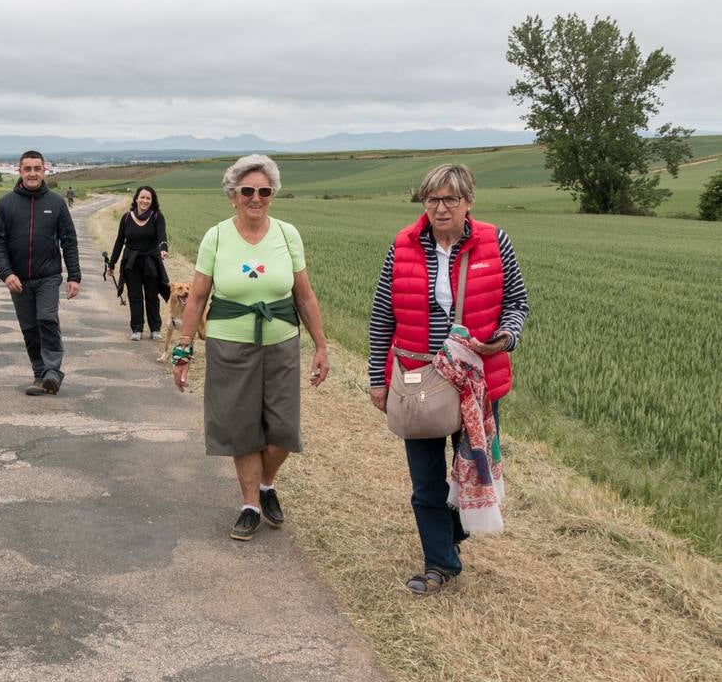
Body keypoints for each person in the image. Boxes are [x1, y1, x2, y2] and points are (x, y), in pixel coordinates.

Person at [367, 163, 530, 594]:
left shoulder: (495, 241)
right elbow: (384, 314)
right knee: (426, 481)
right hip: (418, 381)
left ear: (468, 202)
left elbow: (517, 301)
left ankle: (453, 535)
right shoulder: (402, 245)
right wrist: (377, 378)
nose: (440, 208)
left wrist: (506, 336)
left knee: (471, 473)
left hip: (478, 383)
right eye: (432, 199)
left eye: (450, 199)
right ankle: (439, 565)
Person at [173, 155, 330, 541]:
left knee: (283, 429)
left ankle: (266, 482)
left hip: (281, 344)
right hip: (230, 345)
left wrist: (321, 346)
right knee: (241, 427)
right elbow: (196, 298)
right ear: (233, 196)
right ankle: (250, 505)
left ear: (272, 196)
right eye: (247, 191)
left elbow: (305, 296)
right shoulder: (217, 236)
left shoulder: (287, 235)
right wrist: (183, 349)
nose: (255, 197)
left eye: (264, 191)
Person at [0, 150, 82, 395]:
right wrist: (6, 273)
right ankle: (40, 375)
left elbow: (69, 240)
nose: (32, 173)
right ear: (19, 171)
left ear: (44, 171)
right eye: (27, 168)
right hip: (18, 279)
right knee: (30, 328)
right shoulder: (6, 204)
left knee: (47, 319)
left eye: (37, 168)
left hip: (48, 277)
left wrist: (74, 276)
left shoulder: (56, 203)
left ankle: (53, 370)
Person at [107, 185, 171, 341]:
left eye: (148, 198)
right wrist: (112, 263)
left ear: (152, 201)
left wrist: (163, 249)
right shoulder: (127, 218)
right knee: (135, 296)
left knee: (152, 297)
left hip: (151, 262)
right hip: (131, 262)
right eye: (142, 197)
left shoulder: (157, 217)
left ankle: (155, 329)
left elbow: (162, 236)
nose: (145, 200)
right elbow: (119, 241)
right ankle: (137, 329)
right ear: (136, 199)